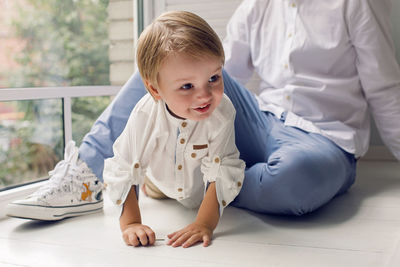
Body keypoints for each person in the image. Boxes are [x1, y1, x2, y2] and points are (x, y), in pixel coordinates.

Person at [7, 0, 400, 220]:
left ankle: (189, 183)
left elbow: (385, 89)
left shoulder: (356, 5)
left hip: (321, 139)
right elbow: (221, 73)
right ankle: (88, 177)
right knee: (168, 62)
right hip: (261, 118)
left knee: (292, 183)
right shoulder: (258, 6)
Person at [103, 11, 245, 248]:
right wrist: (131, 224)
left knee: (234, 179)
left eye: (213, 78)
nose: (205, 95)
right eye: (187, 86)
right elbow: (124, 168)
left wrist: (204, 223)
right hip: (159, 184)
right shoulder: (145, 115)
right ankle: (151, 188)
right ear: (155, 89)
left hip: (199, 190)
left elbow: (221, 171)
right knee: (152, 184)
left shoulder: (222, 113)